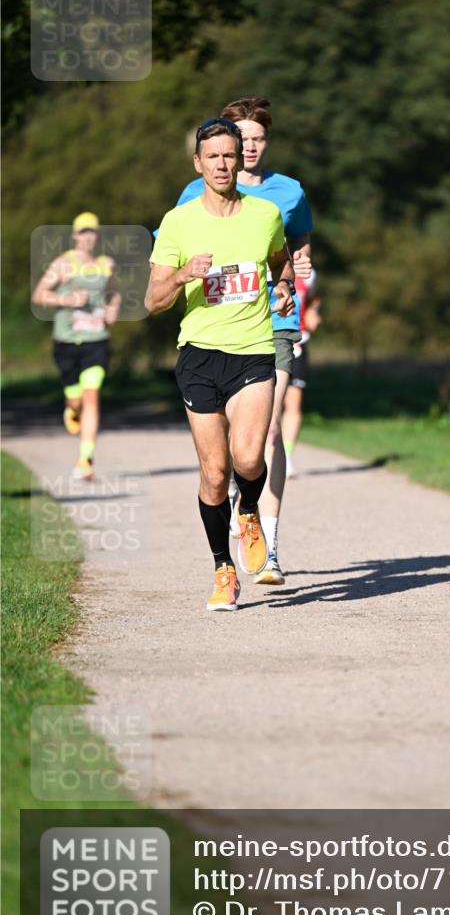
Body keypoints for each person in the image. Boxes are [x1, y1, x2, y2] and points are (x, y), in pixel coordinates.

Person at [145, 118, 296, 612]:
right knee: (214, 472)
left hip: (253, 349)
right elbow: (152, 300)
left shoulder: (265, 214)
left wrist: (283, 285)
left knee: (249, 458)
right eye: (212, 157)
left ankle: (248, 510)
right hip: (199, 356)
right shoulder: (178, 222)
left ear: (239, 158)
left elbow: (280, 259)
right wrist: (183, 275)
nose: (222, 164)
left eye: (230, 155)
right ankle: (222, 570)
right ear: (198, 163)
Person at [175, 97, 312, 587]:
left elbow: (294, 246)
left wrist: (296, 272)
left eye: (257, 139)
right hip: (215, 333)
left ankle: (267, 545)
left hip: (273, 323)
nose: (248, 148)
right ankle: (233, 508)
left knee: (267, 435)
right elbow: (172, 251)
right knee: (225, 458)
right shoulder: (193, 193)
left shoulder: (288, 192)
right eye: (241, 140)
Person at [32, 212, 120, 480]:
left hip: (96, 341)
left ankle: (85, 460)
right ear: (74, 235)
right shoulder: (62, 264)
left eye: (92, 232)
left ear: (97, 236)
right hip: (67, 342)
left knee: (92, 395)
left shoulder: (106, 264)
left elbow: (114, 293)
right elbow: (39, 295)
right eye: (83, 232)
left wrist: (112, 309)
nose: (87, 237)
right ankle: (71, 408)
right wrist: (67, 300)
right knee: (76, 399)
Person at [283, 269, 322, 480]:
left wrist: (313, 310)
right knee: (267, 403)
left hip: (298, 342)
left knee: (293, 402)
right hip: (269, 342)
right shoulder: (264, 262)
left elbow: (313, 298)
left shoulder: (308, 273)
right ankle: (264, 453)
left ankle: (286, 457)